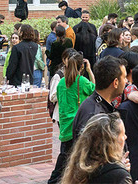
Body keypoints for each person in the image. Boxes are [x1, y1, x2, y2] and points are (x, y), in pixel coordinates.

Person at [48, 52, 97, 184]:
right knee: (75, 157)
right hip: (78, 124)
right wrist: (90, 71)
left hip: (64, 124)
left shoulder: (61, 82)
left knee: (65, 154)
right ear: (81, 66)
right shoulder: (81, 81)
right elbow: (95, 90)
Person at [60, 112, 130, 184]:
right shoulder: (118, 176)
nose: (125, 137)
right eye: (123, 134)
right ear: (113, 140)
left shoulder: (81, 165)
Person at [72, 56, 124, 138]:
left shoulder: (96, 105)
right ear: (116, 82)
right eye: (124, 78)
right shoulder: (95, 116)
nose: (126, 81)